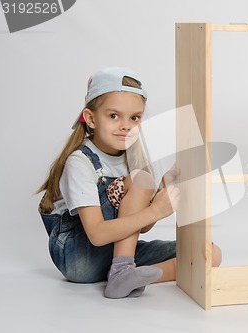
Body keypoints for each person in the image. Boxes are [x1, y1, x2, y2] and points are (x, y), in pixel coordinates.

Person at [36, 67, 221, 298]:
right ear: (91, 118)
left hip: (112, 255)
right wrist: (155, 210)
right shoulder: (80, 161)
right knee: (140, 179)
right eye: (114, 116)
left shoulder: (132, 159)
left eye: (134, 117)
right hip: (79, 257)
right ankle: (123, 271)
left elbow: (140, 227)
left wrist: (163, 188)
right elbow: (97, 235)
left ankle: (125, 276)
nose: (126, 125)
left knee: (208, 254)